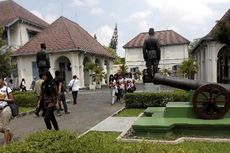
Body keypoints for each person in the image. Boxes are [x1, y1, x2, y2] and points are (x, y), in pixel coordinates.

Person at [0, 77, 14, 145]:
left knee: (5, 127)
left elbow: (12, 99)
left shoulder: (6, 88)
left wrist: (3, 100)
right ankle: (10, 134)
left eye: (0, 80)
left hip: (6, 109)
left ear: (2, 81)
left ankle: (5, 144)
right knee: (1, 128)